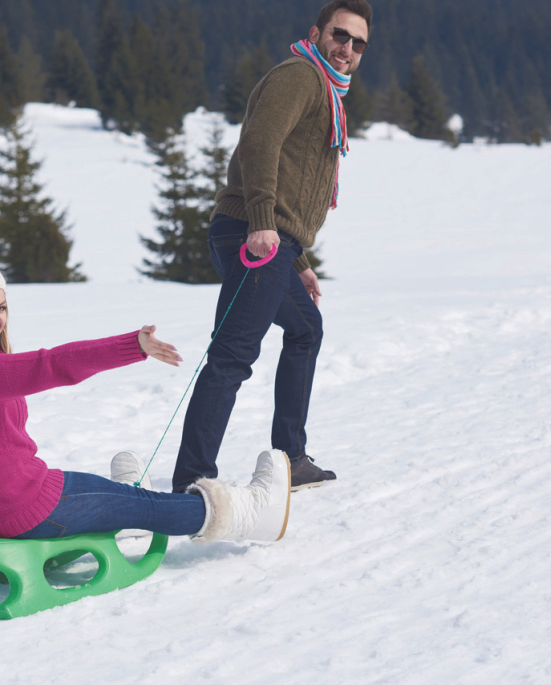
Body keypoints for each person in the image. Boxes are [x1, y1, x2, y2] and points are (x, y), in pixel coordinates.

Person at [0, 190, 291, 544]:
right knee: (144, 504)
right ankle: (251, 514)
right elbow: (52, 365)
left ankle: (119, 513)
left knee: (110, 496)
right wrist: (133, 345)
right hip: (18, 510)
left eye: (1, 307)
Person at [171, 0, 373, 494]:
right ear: (316, 33)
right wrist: (263, 223)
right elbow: (260, 143)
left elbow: (291, 182)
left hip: (271, 238)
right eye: (340, 35)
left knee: (306, 329)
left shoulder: (326, 90)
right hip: (251, 231)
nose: (347, 48)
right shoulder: (301, 76)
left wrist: (297, 259)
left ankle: (291, 459)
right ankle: (191, 482)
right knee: (233, 355)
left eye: (357, 43)